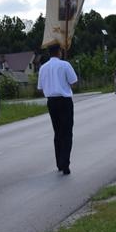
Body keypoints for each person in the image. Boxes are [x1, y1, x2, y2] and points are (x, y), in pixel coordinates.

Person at [37, 44, 78, 175]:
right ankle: (65, 162)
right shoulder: (65, 65)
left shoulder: (43, 68)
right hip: (64, 100)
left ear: (49, 53)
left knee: (58, 132)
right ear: (59, 52)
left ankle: (59, 162)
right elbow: (74, 82)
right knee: (67, 132)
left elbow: (40, 88)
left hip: (51, 101)